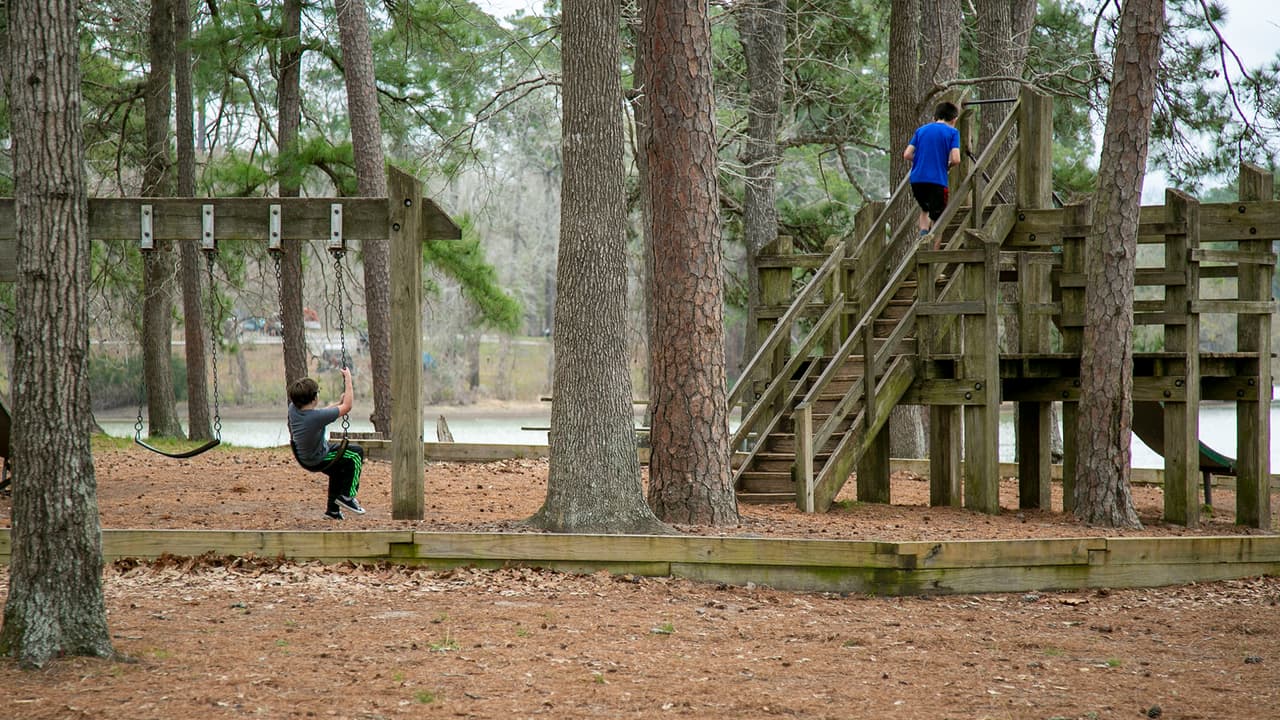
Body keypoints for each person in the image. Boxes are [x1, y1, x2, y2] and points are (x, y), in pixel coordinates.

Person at [287, 367, 366, 520]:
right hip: (316, 459)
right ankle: (348, 497)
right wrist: (348, 380)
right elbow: (348, 406)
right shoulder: (314, 418)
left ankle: (333, 511)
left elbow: (322, 414)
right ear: (314, 398)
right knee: (356, 454)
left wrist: (338, 403)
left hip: (306, 454)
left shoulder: (294, 409)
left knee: (339, 470)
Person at [903, 101, 962, 243]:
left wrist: (923, 160)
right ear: (954, 119)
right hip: (937, 180)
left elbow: (907, 154)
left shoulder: (921, 130)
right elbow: (956, 159)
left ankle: (923, 235)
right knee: (938, 218)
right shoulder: (953, 132)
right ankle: (932, 254)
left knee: (925, 209)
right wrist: (947, 166)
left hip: (917, 179)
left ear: (935, 116)